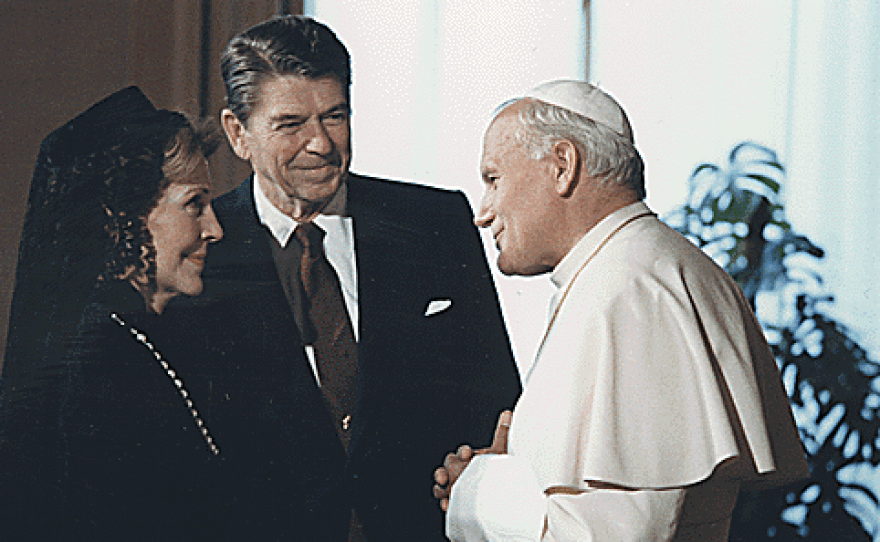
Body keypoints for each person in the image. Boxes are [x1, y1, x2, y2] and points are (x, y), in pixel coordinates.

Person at [175, 14, 521, 541]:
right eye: (291, 125)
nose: (320, 144)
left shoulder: (434, 225)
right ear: (237, 134)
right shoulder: (202, 249)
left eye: (334, 116)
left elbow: (496, 399)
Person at [432, 80, 809, 541]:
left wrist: (477, 490)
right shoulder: (643, 267)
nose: (483, 212)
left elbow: (619, 533)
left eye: (493, 179)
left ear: (563, 165)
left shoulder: (630, 290)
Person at [0, 86, 226, 539]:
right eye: (194, 205)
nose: (214, 228)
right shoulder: (92, 366)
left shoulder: (135, 339)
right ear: (124, 216)